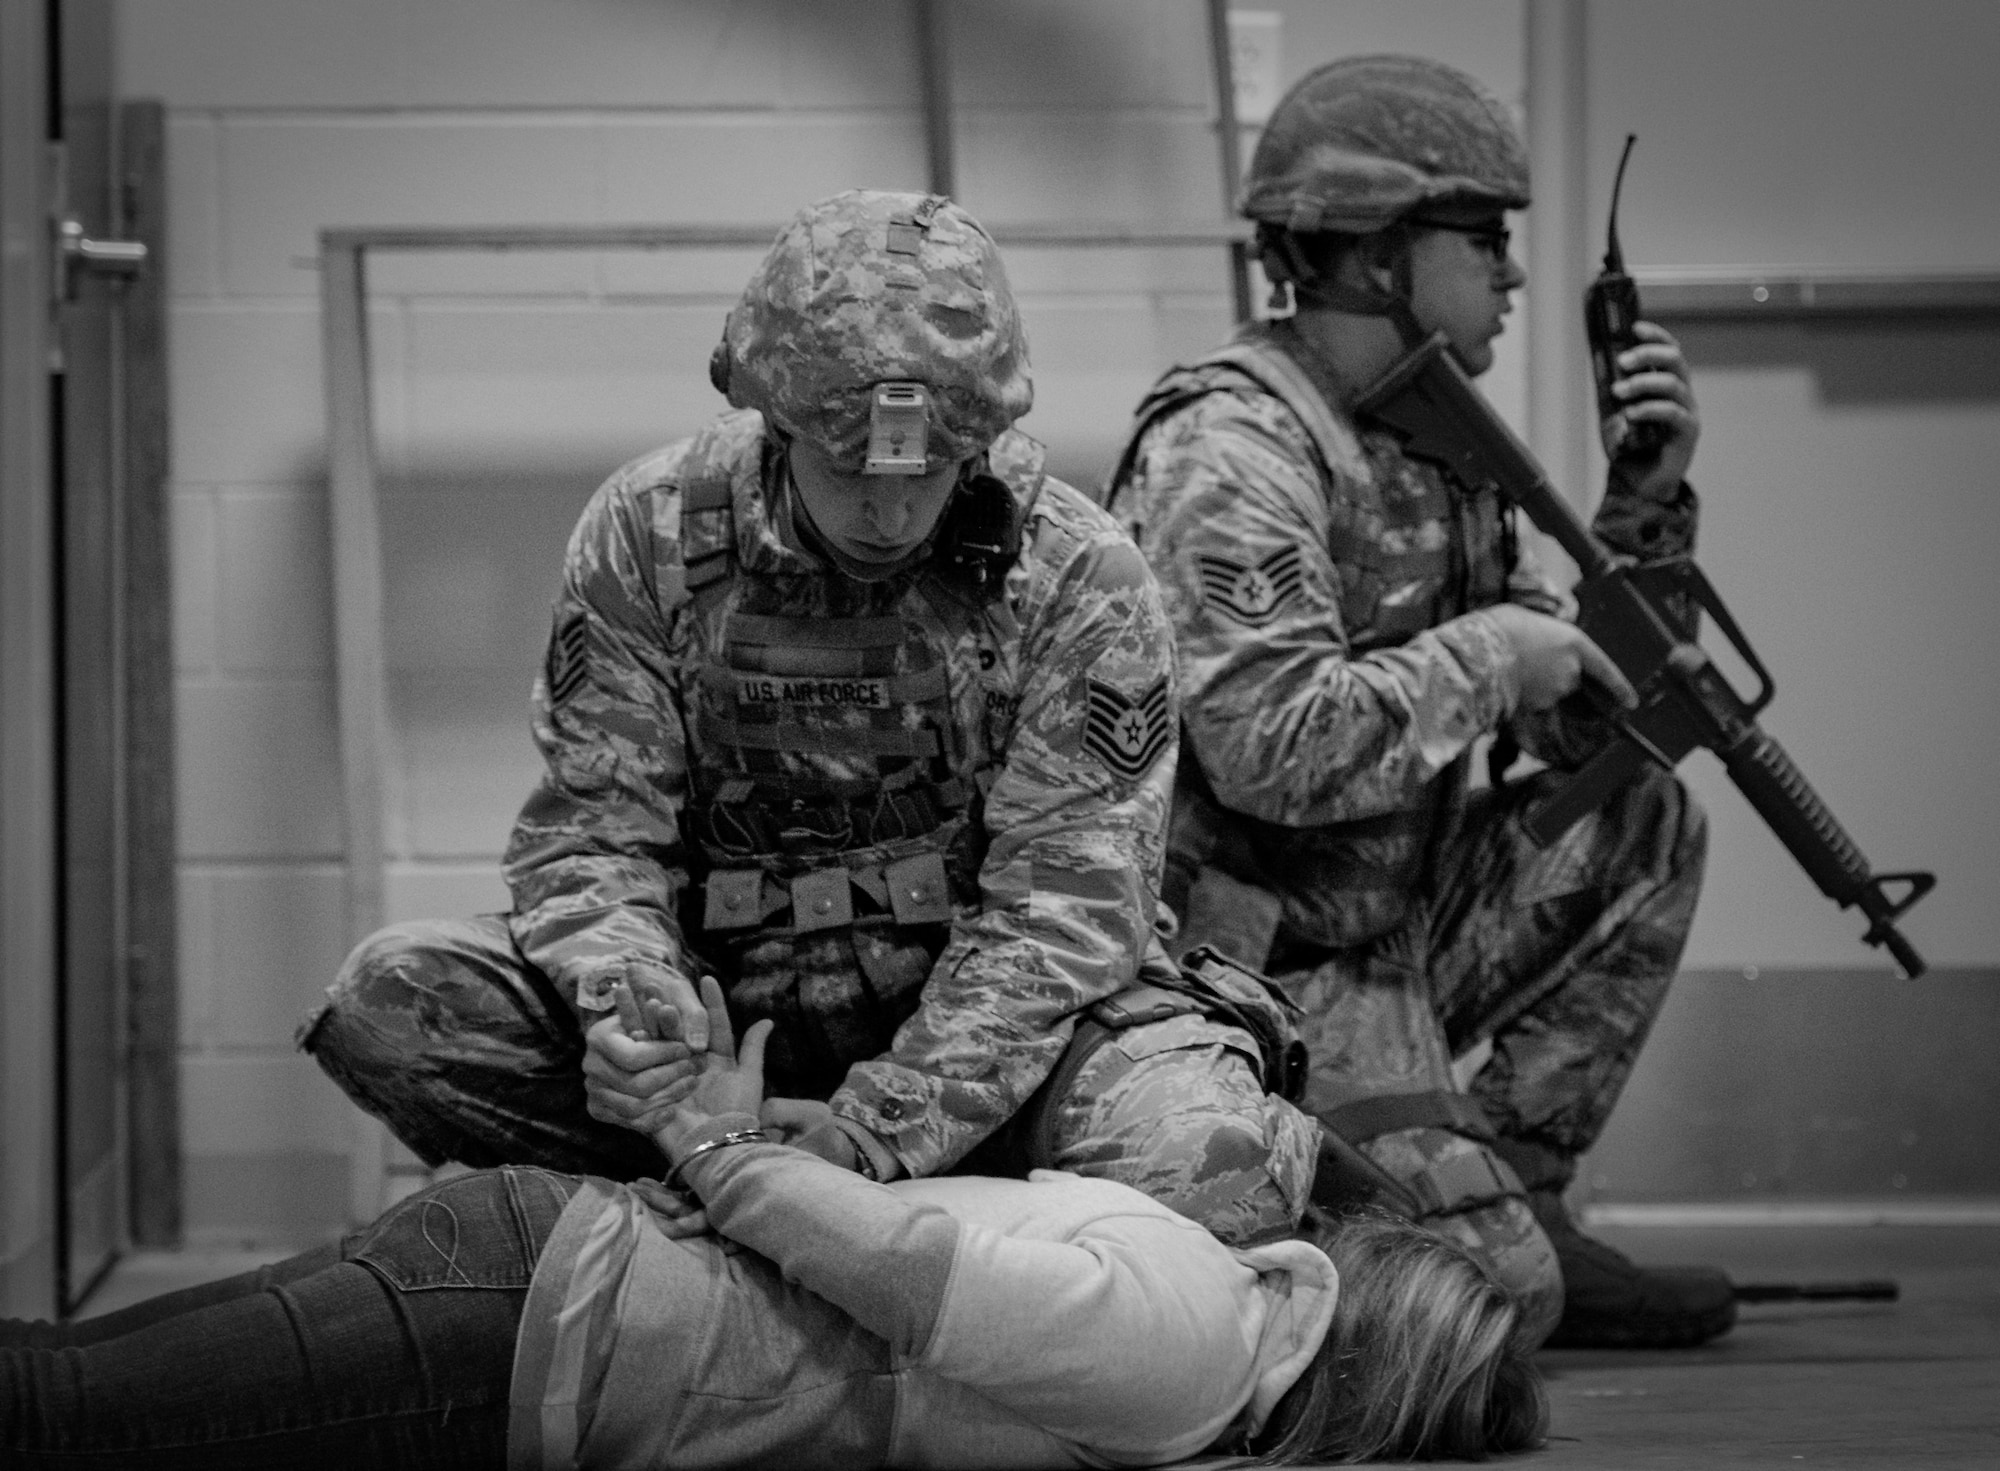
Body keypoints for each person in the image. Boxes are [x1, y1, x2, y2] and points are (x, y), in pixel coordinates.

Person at [299, 187, 1317, 1247]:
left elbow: (1062, 912)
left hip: (995, 1053)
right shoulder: (648, 537)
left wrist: (871, 1132)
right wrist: (636, 1016)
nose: (890, 511)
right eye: (849, 468)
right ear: (773, 419)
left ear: (978, 436)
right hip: (724, 1033)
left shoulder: (1074, 572)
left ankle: (790, 1229)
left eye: (928, 471)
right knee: (397, 1000)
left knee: (1216, 1163)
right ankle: (729, 1210)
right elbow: (596, 834)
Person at [1102, 54, 1729, 1349]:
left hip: (1389, 921)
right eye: (1485, 241)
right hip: (1246, 959)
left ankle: (1521, 1190)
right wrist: (1497, 653)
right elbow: (1271, 748)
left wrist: (1643, 507)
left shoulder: (1430, 442)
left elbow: (1573, 731)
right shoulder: (1233, 450)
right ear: (1378, 253)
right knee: (1487, 1301)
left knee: (1645, 822)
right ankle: (1344, 1195)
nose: (1510, 275)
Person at [1, 980, 1546, 1469]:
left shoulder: (1198, 1302)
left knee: (63, 1386)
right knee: (59, 1409)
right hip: (540, 1316)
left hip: (539, 1283)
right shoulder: (1184, 1349)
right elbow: (890, 1266)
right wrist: (717, 1139)